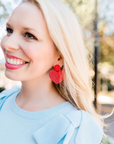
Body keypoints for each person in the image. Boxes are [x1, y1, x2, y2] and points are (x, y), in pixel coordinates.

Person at [0, 0, 108, 143]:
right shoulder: (3, 100)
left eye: (29, 35)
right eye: (9, 30)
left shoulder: (74, 128)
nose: (7, 44)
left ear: (60, 56)